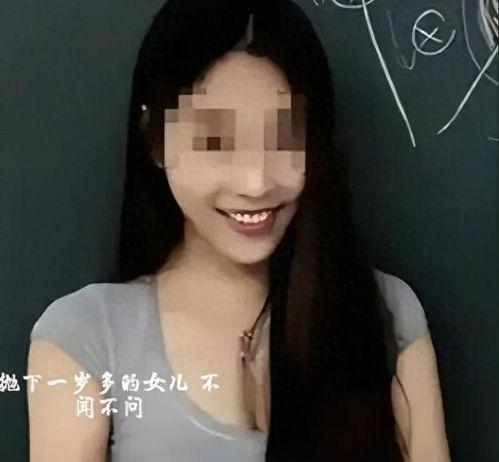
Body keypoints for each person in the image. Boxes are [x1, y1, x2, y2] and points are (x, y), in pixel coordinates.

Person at [26, 0, 450, 461]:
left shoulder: (387, 314)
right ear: (155, 139)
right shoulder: (86, 336)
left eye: (285, 138)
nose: (255, 183)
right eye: (216, 142)